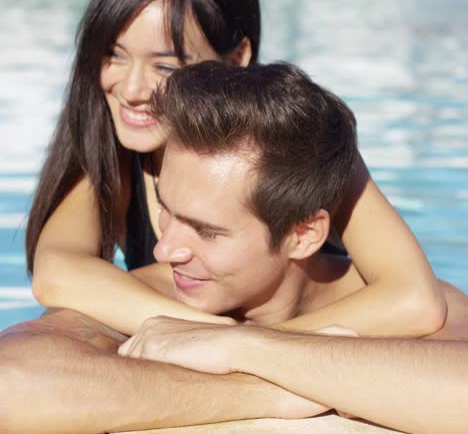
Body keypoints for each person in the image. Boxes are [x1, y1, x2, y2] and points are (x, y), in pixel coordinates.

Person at [2, 62, 467, 434]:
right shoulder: (149, 296)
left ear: (303, 234)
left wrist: (242, 347)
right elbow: (12, 385)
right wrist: (259, 392)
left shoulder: (408, 304)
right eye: (167, 208)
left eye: (205, 231)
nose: (164, 251)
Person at [27, 0, 445, 338]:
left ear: (237, 57)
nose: (132, 90)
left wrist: (248, 349)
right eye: (114, 55)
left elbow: (416, 300)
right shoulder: (110, 155)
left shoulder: (294, 143)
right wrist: (212, 336)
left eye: (165, 67)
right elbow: (57, 275)